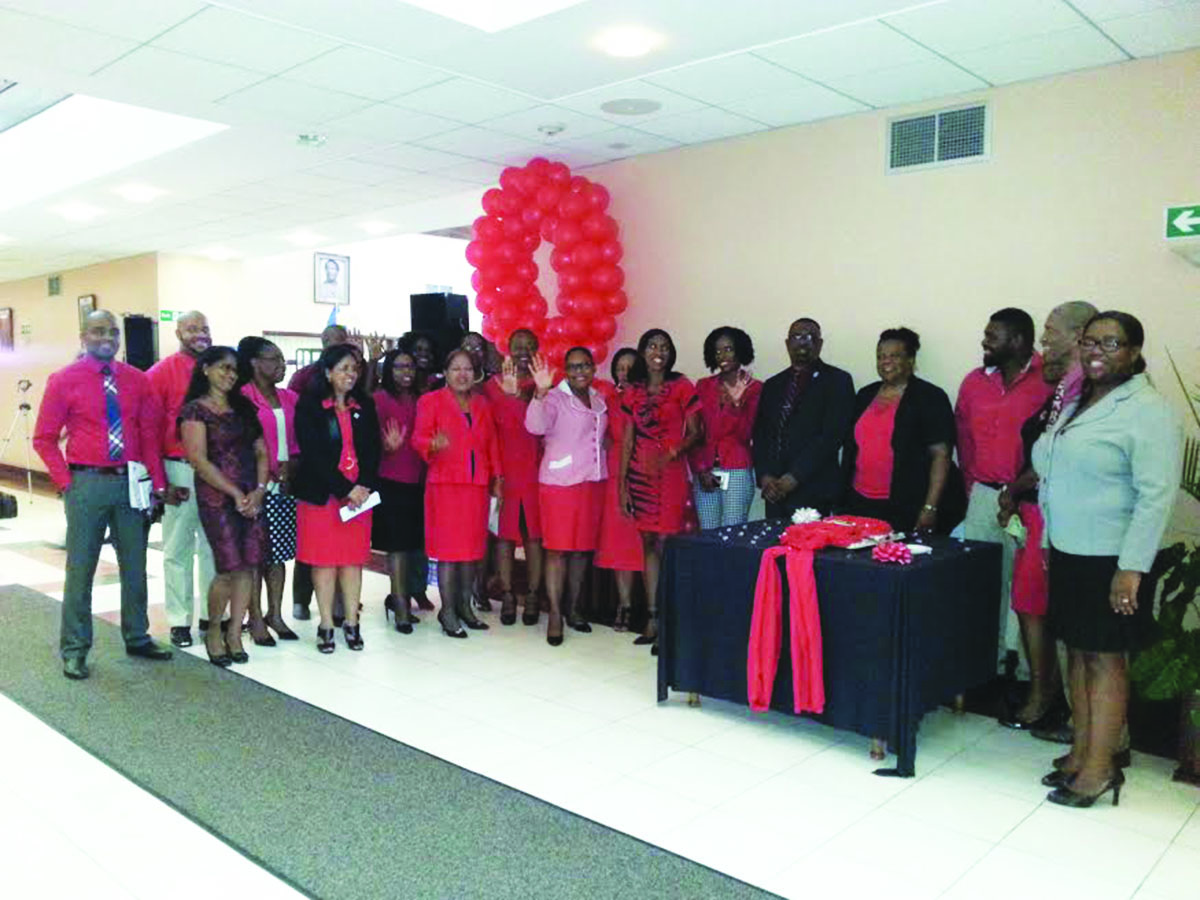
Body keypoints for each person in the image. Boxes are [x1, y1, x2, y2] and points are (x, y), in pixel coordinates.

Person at [1033, 311, 1181, 807]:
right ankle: (1080, 752)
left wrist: (1131, 569)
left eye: (1112, 343)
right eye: (1091, 341)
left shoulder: (1148, 410)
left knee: (1105, 661)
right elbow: (1055, 476)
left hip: (1113, 559)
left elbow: (1156, 495)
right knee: (1078, 652)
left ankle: (1101, 769)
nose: (1098, 350)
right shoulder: (1080, 399)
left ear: (1136, 352)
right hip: (1071, 550)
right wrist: (1050, 541)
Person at [33, 311, 173, 680]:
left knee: (135, 565)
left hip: (130, 482)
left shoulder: (137, 380)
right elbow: (43, 438)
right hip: (86, 483)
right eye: (98, 331)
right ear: (84, 337)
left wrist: (156, 485)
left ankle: (137, 635)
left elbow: (147, 436)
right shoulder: (63, 380)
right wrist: (67, 483)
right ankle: (75, 649)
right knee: (81, 568)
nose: (107, 337)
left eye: (113, 332)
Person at [994, 301, 1097, 732]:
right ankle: (1054, 701)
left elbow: (1055, 459)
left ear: (1077, 337)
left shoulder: (1088, 393)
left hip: (1061, 520)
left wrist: (1013, 488)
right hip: (1038, 516)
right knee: (1030, 606)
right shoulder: (1065, 389)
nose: (1043, 342)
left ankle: (1060, 708)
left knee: (1044, 612)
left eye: (1050, 332)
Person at [956, 308, 1055, 670]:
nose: (984, 342)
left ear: (1017, 341)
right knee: (983, 586)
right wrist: (973, 487)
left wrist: (1020, 491)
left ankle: (1033, 676)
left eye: (992, 336)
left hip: (1031, 502)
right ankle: (990, 665)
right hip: (984, 497)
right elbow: (963, 438)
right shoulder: (973, 382)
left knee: (1031, 594)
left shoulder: (1050, 380)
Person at [179, 346, 269, 667]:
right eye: (223, 368)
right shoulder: (194, 411)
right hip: (217, 498)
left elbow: (261, 452)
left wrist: (259, 491)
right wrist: (234, 493)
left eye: (234, 370)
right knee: (228, 567)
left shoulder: (244, 408)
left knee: (248, 565)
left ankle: (235, 632)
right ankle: (213, 629)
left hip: (251, 496)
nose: (230, 375)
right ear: (205, 369)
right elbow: (198, 460)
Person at [292, 345, 381, 653]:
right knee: (325, 562)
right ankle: (327, 623)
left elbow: (373, 451)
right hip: (323, 496)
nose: (351, 374)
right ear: (328, 372)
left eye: (354, 369)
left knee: (352, 561)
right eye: (344, 368)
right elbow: (314, 455)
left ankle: (352, 623)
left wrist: (364, 486)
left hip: (358, 497)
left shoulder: (364, 404)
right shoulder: (310, 406)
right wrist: (345, 489)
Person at [619, 329, 702, 648]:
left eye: (665, 347)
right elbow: (627, 440)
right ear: (642, 351)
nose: (659, 351)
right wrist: (622, 485)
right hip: (639, 475)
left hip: (669, 475)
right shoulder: (633, 391)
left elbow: (697, 432)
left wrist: (673, 451)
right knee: (647, 544)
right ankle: (652, 619)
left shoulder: (683, 386)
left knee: (666, 544)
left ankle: (669, 621)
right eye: (653, 346)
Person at [413, 349, 503, 638]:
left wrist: (498, 478)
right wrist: (432, 444)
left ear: (475, 373)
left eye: (467, 369)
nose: (462, 374)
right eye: (455, 369)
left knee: (471, 553)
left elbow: (492, 444)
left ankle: (465, 607)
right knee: (449, 554)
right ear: (446, 373)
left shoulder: (483, 404)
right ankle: (448, 610)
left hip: (476, 487)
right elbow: (418, 437)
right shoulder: (431, 401)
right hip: (445, 486)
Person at [840, 327, 963, 534]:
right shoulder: (864, 395)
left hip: (906, 506)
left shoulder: (930, 398)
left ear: (911, 360)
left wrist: (930, 507)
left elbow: (941, 455)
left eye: (894, 356)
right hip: (860, 503)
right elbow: (851, 449)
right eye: (880, 356)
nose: (885, 361)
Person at [525, 348, 608, 646]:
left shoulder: (599, 398)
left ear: (594, 368)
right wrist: (539, 392)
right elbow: (534, 426)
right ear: (565, 370)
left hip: (591, 483)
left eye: (585, 365)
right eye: (573, 367)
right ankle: (556, 614)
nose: (580, 371)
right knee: (557, 550)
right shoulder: (554, 398)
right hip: (559, 485)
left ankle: (573, 608)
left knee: (580, 550)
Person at [147, 310, 216, 648]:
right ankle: (178, 621)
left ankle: (211, 617)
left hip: (217, 472)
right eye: (192, 329)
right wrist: (160, 483)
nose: (199, 334)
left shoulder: (220, 370)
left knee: (213, 547)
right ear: (178, 333)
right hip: (179, 469)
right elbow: (148, 431)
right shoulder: (161, 373)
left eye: (204, 328)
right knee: (177, 549)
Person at [752, 318, 854, 518]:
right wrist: (765, 476)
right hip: (774, 490)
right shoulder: (773, 385)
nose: (803, 342)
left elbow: (832, 436)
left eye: (809, 337)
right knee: (775, 547)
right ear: (787, 343)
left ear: (820, 344)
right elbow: (760, 433)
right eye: (796, 336)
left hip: (814, 487)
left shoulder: (837, 381)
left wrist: (793, 478)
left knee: (812, 547)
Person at [238, 337, 300, 644]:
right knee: (254, 557)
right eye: (273, 359)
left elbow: (299, 439)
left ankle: (275, 613)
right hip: (254, 487)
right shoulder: (242, 398)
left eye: (282, 359)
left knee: (278, 556)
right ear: (254, 362)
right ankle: (255, 617)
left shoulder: (290, 398)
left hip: (286, 487)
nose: (281, 364)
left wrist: (293, 466)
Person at [483, 329, 544, 626]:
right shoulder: (490, 387)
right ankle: (507, 594)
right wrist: (495, 473)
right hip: (503, 470)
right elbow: (487, 432)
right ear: (507, 349)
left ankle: (533, 595)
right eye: (518, 347)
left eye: (529, 347)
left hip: (535, 470)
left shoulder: (543, 384)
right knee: (504, 537)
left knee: (534, 536)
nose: (523, 352)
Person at [288, 323, 348, 621]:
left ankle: (341, 603)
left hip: (349, 484)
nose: (333, 346)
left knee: (341, 547)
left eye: (339, 341)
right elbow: (309, 442)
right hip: (315, 479)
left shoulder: (355, 393)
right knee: (311, 547)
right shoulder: (304, 380)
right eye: (328, 342)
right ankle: (301, 599)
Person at [371, 349, 425, 635]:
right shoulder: (380, 399)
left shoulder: (420, 398)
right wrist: (386, 448)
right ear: (388, 370)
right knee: (397, 546)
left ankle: (402, 597)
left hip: (418, 482)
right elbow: (367, 442)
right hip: (390, 482)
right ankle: (399, 604)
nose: (406, 371)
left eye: (410, 366)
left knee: (413, 544)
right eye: (399, 366)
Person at [690, 326, 761, 530]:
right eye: (717, 350)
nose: (723, 355)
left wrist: (735, 405)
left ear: (740, 350)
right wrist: (701, 469)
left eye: (729, 349)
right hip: (704, 471)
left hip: (737, 468)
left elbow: (745, 434)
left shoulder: (755, 388)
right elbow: (694, 432)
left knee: (732, 533)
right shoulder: (702, 386)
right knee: (709, 534)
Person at [595, 348, 644, 630]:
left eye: (630, 367)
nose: (624, 373)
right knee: (618, 544)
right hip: (614, 475)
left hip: (644, 474)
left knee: (643, 545)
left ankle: (646, 608)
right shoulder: (607, 400)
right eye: (620, 368)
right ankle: (623, 605)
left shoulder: (648, 398)